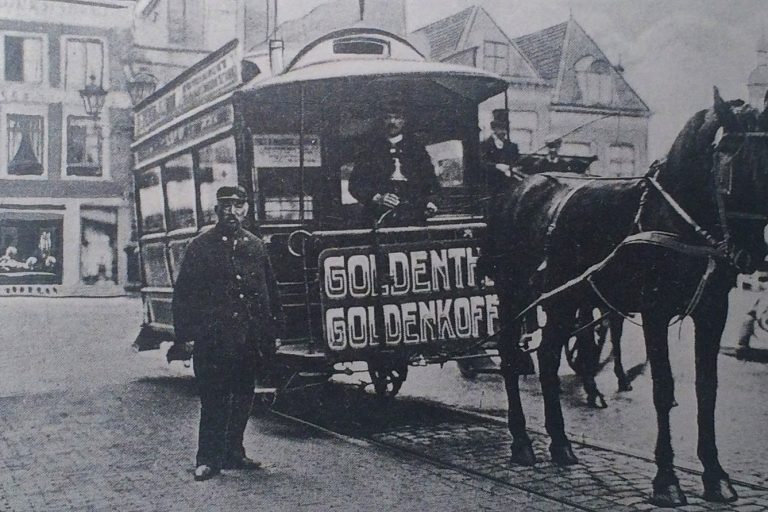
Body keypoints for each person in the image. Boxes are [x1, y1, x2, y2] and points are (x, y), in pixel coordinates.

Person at [172, 185, 284, 482]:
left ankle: (234, 452)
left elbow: (269, 290)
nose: (232, 212)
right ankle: (207, 459)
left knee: (243, 397)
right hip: (213, 339)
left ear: (246, 209)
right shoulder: (200, 246)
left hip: (247, 339)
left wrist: (272, 330)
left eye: (238, 206)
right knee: (214, 399)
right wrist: (186, 336)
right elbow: (184, 295)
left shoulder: (255, 245)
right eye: (225, 206)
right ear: (216, 210)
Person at [349, 102, 440, 226]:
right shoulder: (369, 150)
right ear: (381, 121)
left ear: (404, 121)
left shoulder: (417, 150)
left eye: (397, 117)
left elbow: (431, 182)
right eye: (387, 117)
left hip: (413, 216)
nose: (392, 122)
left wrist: (431, 202)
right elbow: (355, 184)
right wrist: (377, 198)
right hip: (378, 218)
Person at [480, 108, 520, 192]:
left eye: (505, 128)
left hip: (508, 186)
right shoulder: (485, 145)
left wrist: (513, 168)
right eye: (501, 128)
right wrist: (496, 166)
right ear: (494, 128)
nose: (504, 132)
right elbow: (481, 164)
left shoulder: (512, 146)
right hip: (489, 186)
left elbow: (516, 162)